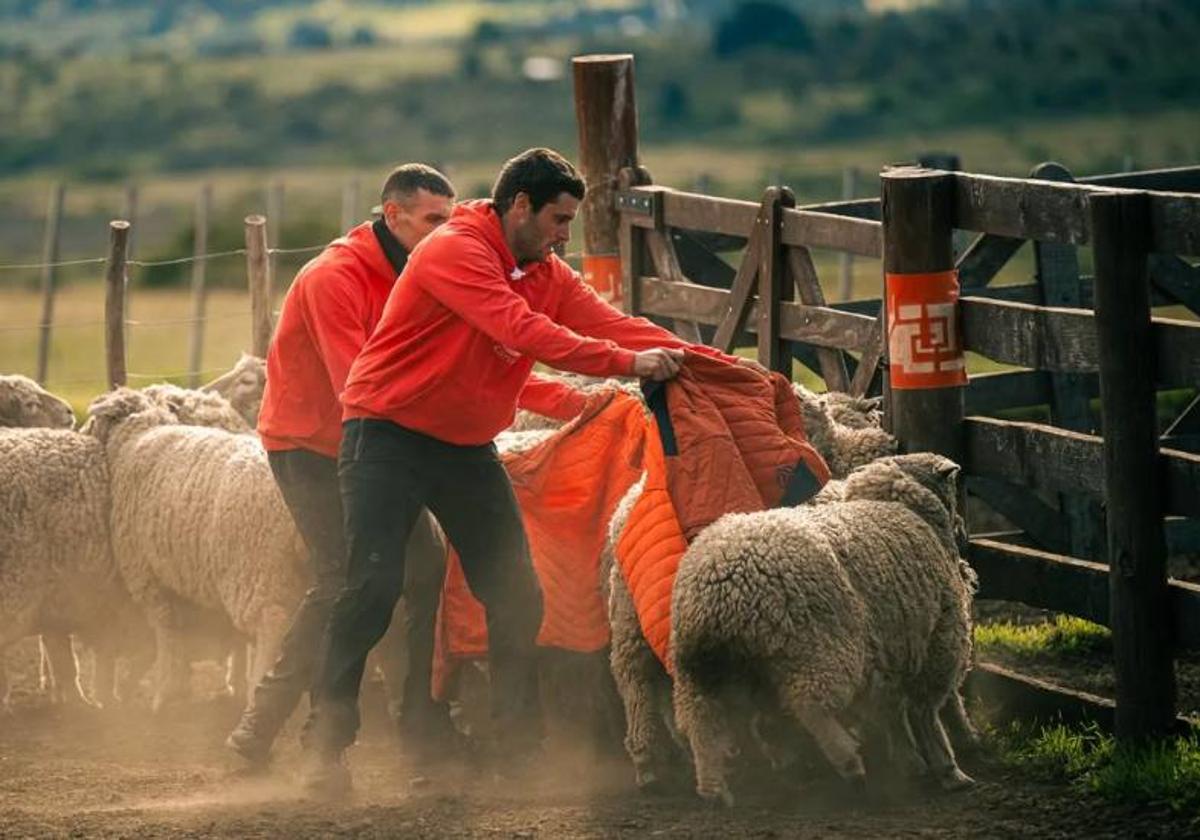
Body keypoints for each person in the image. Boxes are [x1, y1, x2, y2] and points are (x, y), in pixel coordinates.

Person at [299, 147, 762, 796]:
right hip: (387, 435)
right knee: (373, 587)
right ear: (519, 205)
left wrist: (701, 360)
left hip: (463, 446)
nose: (564, 235)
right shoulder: (457, 250)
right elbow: (521, 329)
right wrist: (629, 367)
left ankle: (515, 749)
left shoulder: (541, 266)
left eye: (570, 223)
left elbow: (609, 322)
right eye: (559, 219)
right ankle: (326, 745)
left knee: (517, 592)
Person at [225, 164, 460, 768]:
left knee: (427, 566)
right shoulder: (336, 277)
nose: (444, 233)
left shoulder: (422, 268)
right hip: (310, 442)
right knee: (342, 579)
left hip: (380, 439)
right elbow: (355, 384)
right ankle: (262, 729)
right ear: (393, 216)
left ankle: (420, 721)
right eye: (434, 221)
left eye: (450, 221)